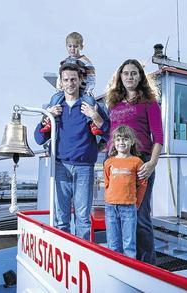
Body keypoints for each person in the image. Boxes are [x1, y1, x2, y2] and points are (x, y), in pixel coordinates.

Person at [35, 62, 110, 240]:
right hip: (60, 166)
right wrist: (48, 116)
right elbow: (39, 139)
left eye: (73, 79)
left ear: (80, 80)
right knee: (62, 219)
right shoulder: (54, 106)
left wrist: (95, 116)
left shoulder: (90, 105)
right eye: (66, 80)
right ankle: (64, 253)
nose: (70, 83)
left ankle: (81, 256)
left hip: (84, 167)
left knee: (83, 218)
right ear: (61, 82)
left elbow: (109, 133)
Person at [105, 59, 163, 264]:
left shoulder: (149, 103)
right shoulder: (113, 104)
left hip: (141, 163)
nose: (130, 77)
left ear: (140, 77)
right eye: (126, 73)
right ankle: (122, 262)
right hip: (116, 163)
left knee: (140, 216)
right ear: (120, 77)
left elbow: (158, 137)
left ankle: (148, 265)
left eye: (134, 73)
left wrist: (152, 163)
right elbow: (108, 134)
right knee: (116, 216)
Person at [40, 32, 102, 135]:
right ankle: (49, 120)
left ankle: (92, 123)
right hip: (65, 90)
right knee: (55, 99)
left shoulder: (86, 62)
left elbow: (91, 78)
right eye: (70, 46)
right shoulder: (65, 62)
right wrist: (59, 87)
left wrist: (88, 90)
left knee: (90, 101)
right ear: (66, 47)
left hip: (82, 90)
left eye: (75, 46)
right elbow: (60, 77)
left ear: (81, 47)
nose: (72, 49)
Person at [104, 125, 147, 258]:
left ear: (132, 141)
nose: (121, 143)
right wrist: (109, 199)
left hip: (129, 207)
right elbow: (107, 183)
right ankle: (114, 267)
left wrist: (137, 204)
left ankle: (131, 268)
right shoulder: (108, 162)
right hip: (110, 207)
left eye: (125, 139)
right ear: (114, 143)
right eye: (118, 140)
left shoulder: (137, 162)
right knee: (112, 243)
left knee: (129, 243)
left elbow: (143, 184)